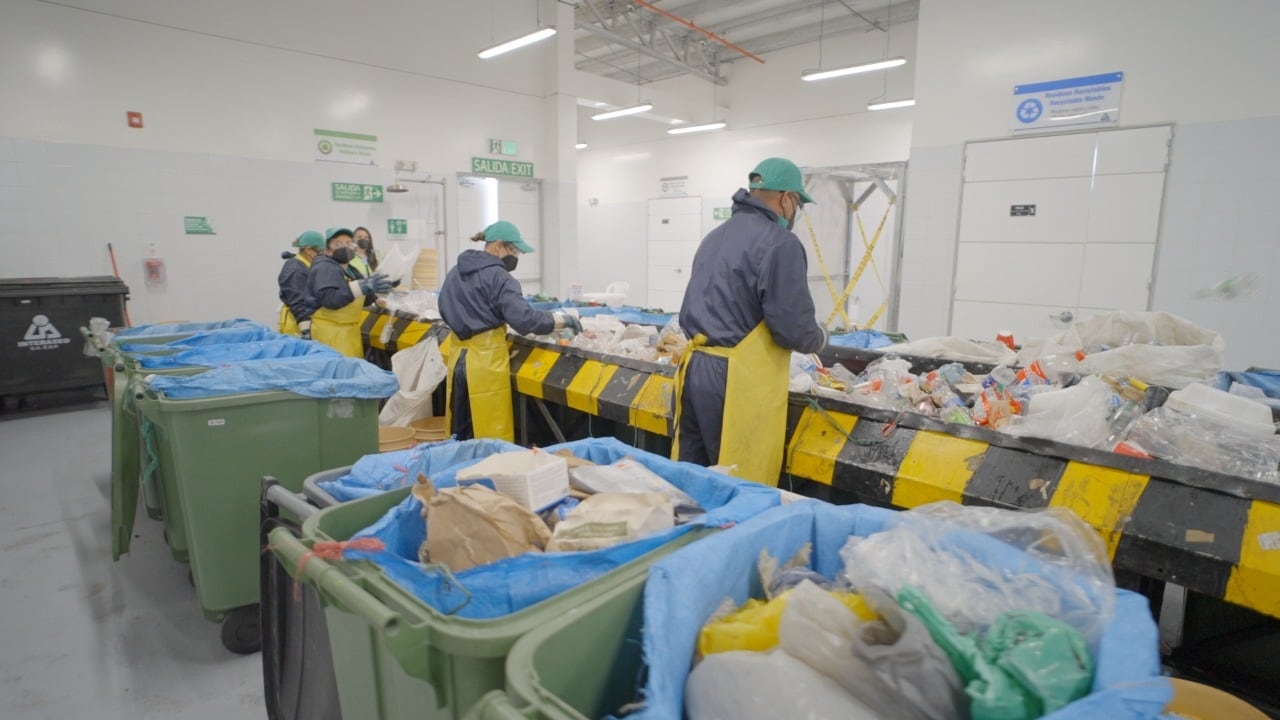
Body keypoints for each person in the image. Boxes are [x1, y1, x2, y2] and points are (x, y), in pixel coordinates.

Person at [673, 157, 828, 486]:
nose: (795, 210)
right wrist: (819, 340)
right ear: (786, 198)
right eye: (797, 202)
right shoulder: (781, 243)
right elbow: (792, 328)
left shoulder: (714, 237)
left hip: (694, 370)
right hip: (736, 381)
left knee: (693, 480)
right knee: (737, 483)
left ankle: (692, 536)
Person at [438, 220, 581, 441]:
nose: (516, 257)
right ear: (498, 246)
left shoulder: (456, 271)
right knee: (488, 433)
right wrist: (560, 320)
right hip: (485, 364)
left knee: (461, 428)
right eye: (513, 250)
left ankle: (458, 473)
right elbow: (524, 320)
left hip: (458, 358)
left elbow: (443, 305)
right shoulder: (500, 277)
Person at [308, 227, 393, 356]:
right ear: (328, 251)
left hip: (349, 332)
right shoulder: (324, 267)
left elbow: (362, 297)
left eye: (348, 243)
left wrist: (376, 297)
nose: (345, 247)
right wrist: (361, 287)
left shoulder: (351, 270)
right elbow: (330, 300)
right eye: (338, 244)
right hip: (331, 333)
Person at [277, 230, 323, 338]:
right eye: (321, 252)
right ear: (309, 250)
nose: (322, 255)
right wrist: (305, 329)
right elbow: (297, 301)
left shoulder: (305, 265)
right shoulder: (295, 269)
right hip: (296, 326)